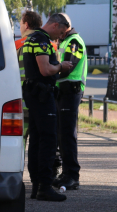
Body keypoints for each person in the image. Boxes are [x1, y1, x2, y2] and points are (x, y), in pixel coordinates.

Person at [21, 14, 72, 202]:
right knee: (48, 140)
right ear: (56, 24)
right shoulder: (42, 41)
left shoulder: (30, 39)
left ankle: (36, 185)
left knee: (36, 139)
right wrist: (60, 66)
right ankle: (44, 185)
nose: (60, 36)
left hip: (33, 94)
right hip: (42, 95)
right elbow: (45, 70)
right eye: (61, 32)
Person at [52, 13, 87, 191]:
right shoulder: (66, 41)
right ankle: (66, 174)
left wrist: (50, 71)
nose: (56, 34)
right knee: (62, 135)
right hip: (64, 92)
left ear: (64, 27)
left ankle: (72, 175)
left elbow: (68, 66)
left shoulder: (74, 42)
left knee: (67, 135)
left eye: (57, 29)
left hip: (71, 91)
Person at [16, 10, 43, 139]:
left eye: (20, 24)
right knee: (41, 142)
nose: (20, 27)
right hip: (44, 102)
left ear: (26, 25)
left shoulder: (17, 47)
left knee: (20, 140)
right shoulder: (52, 46)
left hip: (23, 103)